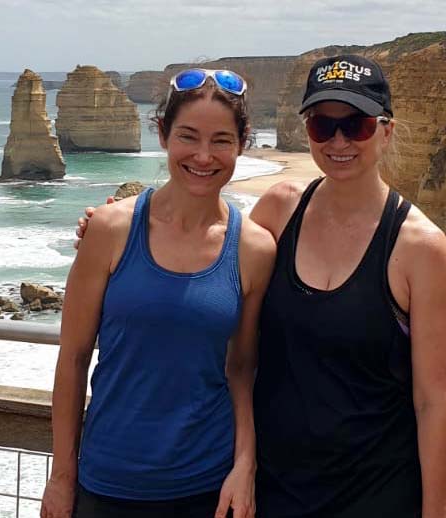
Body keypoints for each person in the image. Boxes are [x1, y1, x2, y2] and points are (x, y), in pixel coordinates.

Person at [75, 55, 446, 517]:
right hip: (274, 487)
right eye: (323, 125)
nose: (338, 140)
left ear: (386, 130)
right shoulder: (280, 210)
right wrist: (116, 223)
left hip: (373, 492)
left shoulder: (421, 247)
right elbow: (211, 254)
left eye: (355, 126)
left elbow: (434, 403)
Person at [40, 68, 276, 518]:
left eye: (222, 140)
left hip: (206, 486)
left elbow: (242, 369)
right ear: (164, 133)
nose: (203, 156)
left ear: (242, 143)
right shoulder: (110, 230)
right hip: (106, 483)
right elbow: (72, 360)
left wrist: (245, 466)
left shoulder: (254, 249)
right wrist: (62, 477)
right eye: (188, 136)